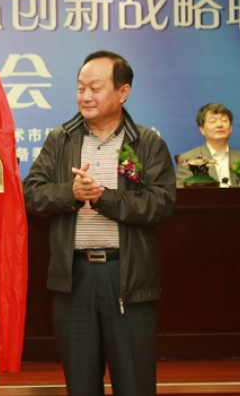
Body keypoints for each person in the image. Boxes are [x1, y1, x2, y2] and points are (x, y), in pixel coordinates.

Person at [22, 50, 176, 396]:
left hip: (127, 278)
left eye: (95, 87)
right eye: (80, 88)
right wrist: (71, 192)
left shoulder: (147, 143)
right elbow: (31, 193)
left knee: (134, 384)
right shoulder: (60, 139)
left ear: (123, 92)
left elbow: (160, 204)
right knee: (81, 384)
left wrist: (103, 198)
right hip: (74, 278)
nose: (85, 96)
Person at [176, 103, 240, 187]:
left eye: (224, 120)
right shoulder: (188, 160)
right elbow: (183, 193)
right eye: (213, 121)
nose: (219, 125)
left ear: (230, 128)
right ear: (202, 129)